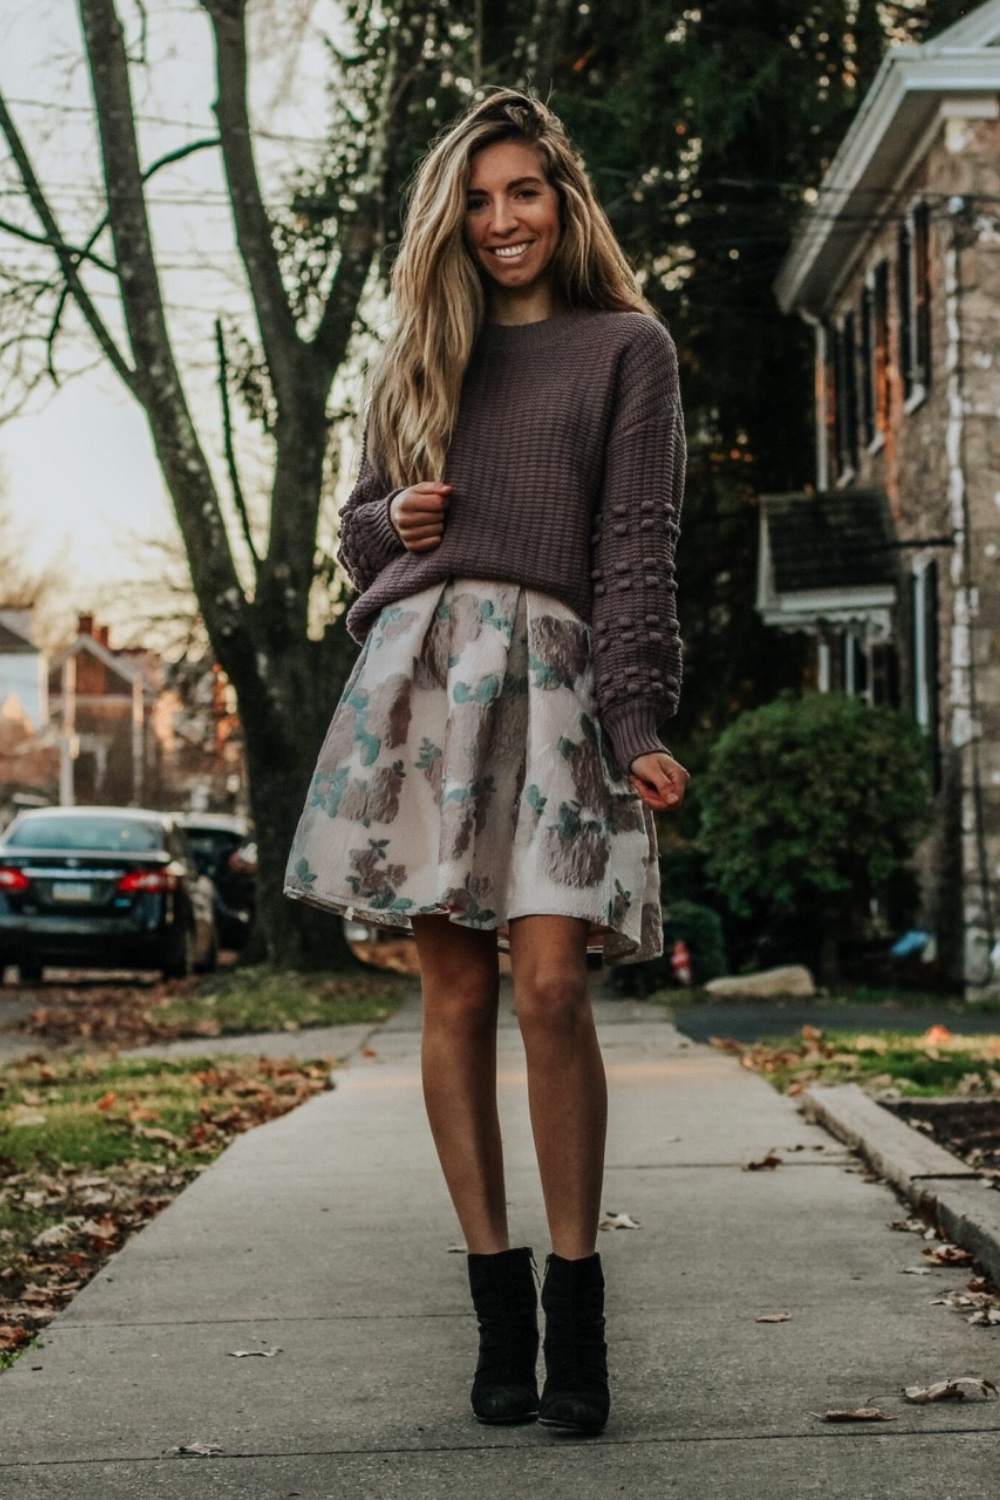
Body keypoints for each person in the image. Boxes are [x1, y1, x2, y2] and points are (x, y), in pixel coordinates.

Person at [284, 86, 688, 1434]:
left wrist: (639, 722)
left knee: (554, 985)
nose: (502, 219)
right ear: (448, 219)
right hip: (419, 684)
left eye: (524, 191)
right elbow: (359, 534)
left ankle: (578, 1303)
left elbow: (637, 551)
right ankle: (496, 1311)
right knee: (453, 999)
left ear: (562, 201)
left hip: (560, 687)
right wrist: (387, 516)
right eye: (476, 197)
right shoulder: (419, 356)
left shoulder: (627, 349)